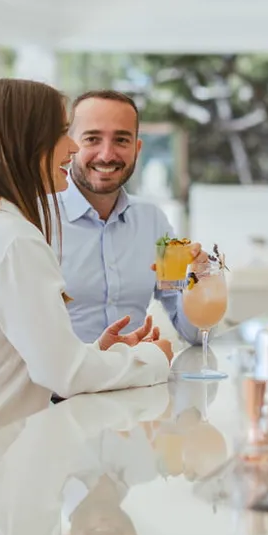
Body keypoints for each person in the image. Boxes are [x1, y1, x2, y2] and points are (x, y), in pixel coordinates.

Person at [0, 78, 174, 435]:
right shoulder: (14, 240)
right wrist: (153, 359)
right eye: (62, 133)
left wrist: (96, 354)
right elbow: (65, 374)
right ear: (22, 142)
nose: (72, 147)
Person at [59, 90, 207, 346]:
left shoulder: (152, 221)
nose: (107, 155)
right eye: (92, 139)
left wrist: (199, 281)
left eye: (121, 140)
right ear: (69, 145)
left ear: (137, 148)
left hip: (137, 371)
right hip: (63, 373)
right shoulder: (37, 218)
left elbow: (194, 334)